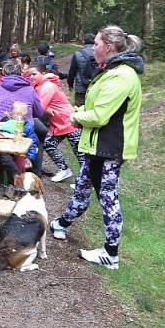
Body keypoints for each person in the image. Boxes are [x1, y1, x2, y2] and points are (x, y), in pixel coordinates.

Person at [50, 26, 144, 271]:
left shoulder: (122, 75)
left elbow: (101, 115)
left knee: (108, 198)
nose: (93, 47)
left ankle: (110, 254)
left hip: (109, 147)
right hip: (96, 145)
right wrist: (80, 112)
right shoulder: (112, 71)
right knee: (82, 186)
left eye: (97, 43)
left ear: (109, 47)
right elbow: (99, 107)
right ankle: (61, 223)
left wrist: (75, 117)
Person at [28, 64, 86, 183]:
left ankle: (84, 183)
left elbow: (39, 107)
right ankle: (64, 169)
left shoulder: (47, 86)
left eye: (34, 74)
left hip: (69, 121)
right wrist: (46, 108)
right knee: (49, 144)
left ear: (43, 74)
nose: (31, 77)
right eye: (30, 75)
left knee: (80, 154)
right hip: (58, 124)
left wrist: (43, 109)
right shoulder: (40, 86)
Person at [67, 33, 97, 107]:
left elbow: (72, 72)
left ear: (84, 41)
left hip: (81, 88)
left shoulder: (77, 54)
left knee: (79, 109)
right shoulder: (99, 53)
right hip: (96, 87)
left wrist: (70, 84)